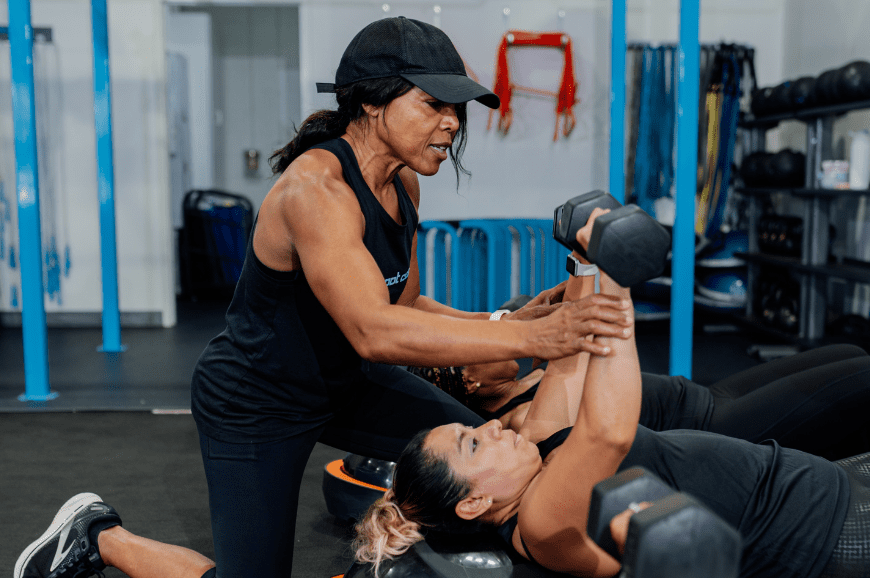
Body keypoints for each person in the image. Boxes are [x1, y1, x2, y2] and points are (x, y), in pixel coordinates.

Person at [188, 15, 631, 578]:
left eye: (456, 110)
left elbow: (404, 306)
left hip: (348, 384)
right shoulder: (315, 191)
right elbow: (374, 331)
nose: (451, 124)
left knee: (507, 462)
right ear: (372, 104)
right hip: (256, 401)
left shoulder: (403, 182)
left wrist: (505, 318)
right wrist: (531, 336)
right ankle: (101, 535)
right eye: (433, 105)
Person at [353, 210, 870, 578]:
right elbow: (608, 431)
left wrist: (585, 253)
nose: (493, 429)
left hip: (826, 483)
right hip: (831, 537)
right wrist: (617, 278)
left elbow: (568, 360)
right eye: (474, 441)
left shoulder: (531, 446)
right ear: (474, 502)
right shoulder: (541, 522)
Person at [410, 339, 870, 461]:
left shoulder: (518, 385)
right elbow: (583, 327)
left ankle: (852, 458)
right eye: (475, 350)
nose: (493, 339)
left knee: (853, 352)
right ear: (468, 383)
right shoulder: (521, 418)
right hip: (719, 425)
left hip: (705, 392)